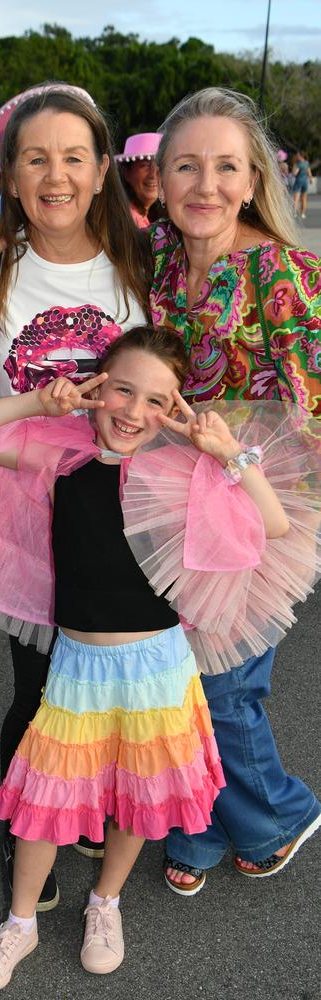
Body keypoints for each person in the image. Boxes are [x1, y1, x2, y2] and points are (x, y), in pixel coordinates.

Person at [0, 326, 294, 991]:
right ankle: (21, 921)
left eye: (156, 401)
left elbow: (272, 525)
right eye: (122, 390)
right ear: (97, 388)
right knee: (44, 799)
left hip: (158, 669)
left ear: (175, 411)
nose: (134, 412)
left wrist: (226, 452)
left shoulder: (181, 472)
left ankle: (106, 902)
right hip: (77, 666)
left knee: (137, 795)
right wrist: (36, 404)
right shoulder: (63, 457)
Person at [0, 83, 150, 907]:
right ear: (10, 173)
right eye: (36, 158)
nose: (57, 174)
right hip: (26, 514)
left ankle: (94, 807)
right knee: (38, 689)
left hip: (121, 522)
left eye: (75, 157)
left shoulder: (139, 265)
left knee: (115, 685)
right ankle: (26, 828)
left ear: (105, 168)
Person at [150, 87, 321, 893]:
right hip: (170, 503)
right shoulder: (158, 258)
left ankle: (276, 812)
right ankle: (201, 829)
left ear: (253, 180)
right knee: (178, 677)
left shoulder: (285, 272)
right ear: (159, 177)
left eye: (225, 166)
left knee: (225, 685)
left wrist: (260, 487)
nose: (205, 185)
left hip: (255, 507)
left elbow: (313, 415)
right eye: (187, 165)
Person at [116, 132, 162, 228]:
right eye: (144, 166)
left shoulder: (137, 217)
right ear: (126, 173)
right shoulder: (130, 221)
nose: (153, 175)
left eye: (159, 166)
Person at [291, 151, 313, 219]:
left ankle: (294, 212)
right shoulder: (307, 163)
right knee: (304, 199)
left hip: (298, 182)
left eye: (298, 155)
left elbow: (295, 173)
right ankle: (303, 213)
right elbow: (309, 172)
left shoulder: (298, 164)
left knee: (296, 198)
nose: (297, 156)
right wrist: (310, 179)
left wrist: (294, 168)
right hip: (305, 182)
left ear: (301, 156)